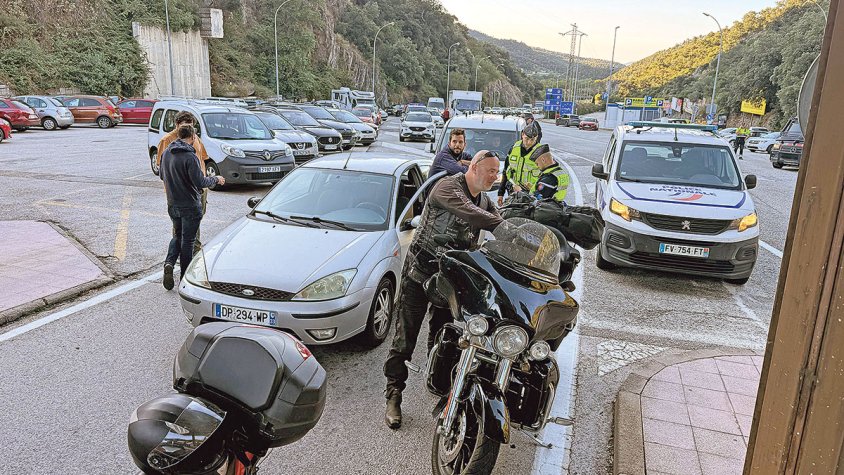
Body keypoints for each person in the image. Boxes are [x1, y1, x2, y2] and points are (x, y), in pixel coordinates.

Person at [383, 150, 503, 429]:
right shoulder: (448, 186)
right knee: (404, 339)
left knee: (443, 339)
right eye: (490, 171)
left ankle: (439, 389)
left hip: (449, 283)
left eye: (498, 173)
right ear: (474, 168)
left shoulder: (485, 200)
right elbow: (472, 213)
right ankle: (393, 395)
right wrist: (501, 223)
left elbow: (497, 221)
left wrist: (521, 231)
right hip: (419, 275)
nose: (495, 177)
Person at [159, 124, 224, 290]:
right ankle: (184, 278)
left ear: (178, 136)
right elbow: (200, 182)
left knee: (177, 236)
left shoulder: (167, 152)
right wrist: (216, 179)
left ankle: (169, 263)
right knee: (188, 241)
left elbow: (161, 174)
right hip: (190, 205)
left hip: (172, 203)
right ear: (193, 137)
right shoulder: (190, 156)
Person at [158, 111, 211, 254]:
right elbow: (163, 169)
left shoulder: (195, 138)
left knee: (195, 222)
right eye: (184, 125)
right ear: (176, 125)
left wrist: (203, 181)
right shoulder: (167, 140)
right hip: (180, 192)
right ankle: (186, 256)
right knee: (180, 227)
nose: (188, 128)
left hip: (199, 187)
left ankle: (192, 253)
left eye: (191, 125)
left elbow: (202, 159)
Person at [497, 121, 542, 206]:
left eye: (532, 140)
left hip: (531, 195)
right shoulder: (514, 148)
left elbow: (547, 177)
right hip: (512, 191)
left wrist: (533, 189)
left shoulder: (541, 152)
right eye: (527, 139)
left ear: (536, 138)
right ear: (522, 135)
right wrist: (500, 193)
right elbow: (506, 171)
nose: (529, 142)